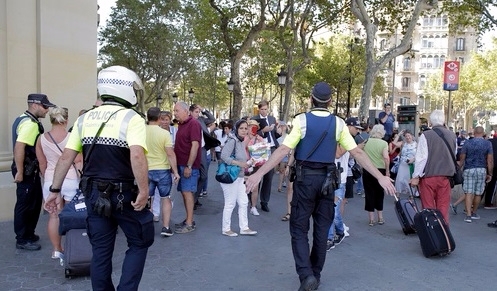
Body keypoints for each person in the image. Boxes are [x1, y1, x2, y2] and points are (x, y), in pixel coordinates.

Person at [245, 82, 395, 291]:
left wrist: (259, 173)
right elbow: (357, 153)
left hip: (305, 181)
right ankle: (315, 274)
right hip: (327, 182)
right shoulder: (339, 123)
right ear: (330, 102)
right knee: (322, 230)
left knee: (298, 229)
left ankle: (306, 275)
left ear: (310, 99)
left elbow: (284, 150)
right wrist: (380, 177)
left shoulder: (302, 120)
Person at [44, 65, 153, 290]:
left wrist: (54, 191)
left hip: (94, 194)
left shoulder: (85, 119)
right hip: (125, 195)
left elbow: (66, 157)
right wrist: (144, 190)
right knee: (140, 241)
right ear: (124, 88)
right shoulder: (131, 118)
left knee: (101, 251)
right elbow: (137, 155)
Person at [35, 107, 81, 259]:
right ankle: (72, 247)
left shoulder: (41, 139)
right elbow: (78, 160)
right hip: (70, 178)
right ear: (66, 120)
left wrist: (46, 177)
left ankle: (56, 249)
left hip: (50, 179)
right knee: (72, 215)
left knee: (54, 216)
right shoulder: (72, 137)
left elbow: (42, 163)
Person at [12, 93, 55, 251]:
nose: (47, 110)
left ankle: (29, 233)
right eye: (45, 107)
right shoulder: (30, 124)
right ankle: (22, 239)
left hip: (29, 169)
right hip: (27, 170)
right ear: (35, 105)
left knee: (34, 202)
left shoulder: (23, 118)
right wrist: (20, 171)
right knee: (26, 205)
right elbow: (19, 147)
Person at [410, 110, 457, 224]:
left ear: (430, 122)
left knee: (428, 208)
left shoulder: (426, 135)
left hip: (428, 177)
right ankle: (443, 233)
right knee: (443, 207)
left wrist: (416, 176)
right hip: (446, 177)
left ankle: (430, 233)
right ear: (443, 120)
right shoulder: (452, 135)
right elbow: (454, 155)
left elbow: (422, 158)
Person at [219, 119, 258, 237]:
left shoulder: (241, 142)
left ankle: (244, 228)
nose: (244, 130)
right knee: (230, 203)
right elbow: (224, 157)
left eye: (246, 128)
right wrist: (241, 164)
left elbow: (241, 159)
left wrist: (249, 162)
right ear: (236, 129)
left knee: (244, 202)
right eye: (241, 128)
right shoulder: (232, 141)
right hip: (230, 177)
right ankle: (226, 229)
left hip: (239, 177)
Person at [145, 107, 180, 237]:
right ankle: (165, 227)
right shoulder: (164, 134)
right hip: (162, 170)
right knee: (166, 199)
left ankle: (145, 227)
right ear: (159, 118)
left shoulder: (141, 131)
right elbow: (170, 154)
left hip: (146, 169)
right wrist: (175, 172)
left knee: (147, 198)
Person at [173, 101, 202, 233]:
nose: (175, 113)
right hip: (181, 164)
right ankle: (188, 219)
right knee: (185, 193)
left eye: (177, 111)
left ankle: (189, 223)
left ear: (186, 111)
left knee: (187, 192)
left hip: (188, 166)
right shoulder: (181, 125)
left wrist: (189, 166)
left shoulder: (193, 124)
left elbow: (195, 146)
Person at [458, 126, 493, 223]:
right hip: (481, 169)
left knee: (469, 192)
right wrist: (490, 173)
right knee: (478, 192)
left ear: (474, 132)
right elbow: (489, 160)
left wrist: (459, 168)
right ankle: (474, 212)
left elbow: (462, 158)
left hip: (469, 169)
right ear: (483, 133)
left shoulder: (467, 143)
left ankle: (468, 215)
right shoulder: (488, 144)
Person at [251, 100, 280, 212]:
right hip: (260, 148)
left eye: (266, 109)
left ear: (268, 109)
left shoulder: (272, 119)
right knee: (257, 174)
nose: (264, 111)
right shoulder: (254, 119)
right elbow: (252, 133)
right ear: (259, 109)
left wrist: (278, 132)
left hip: (272, 147)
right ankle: (252, 201)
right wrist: (263, 131)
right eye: (262, 109)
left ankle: (264, 201)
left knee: (269, 176)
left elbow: (274, 135)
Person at [362, 124, 391, 226]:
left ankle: (371, 219)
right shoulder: (384, 143)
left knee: (369, 193)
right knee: (379, 193)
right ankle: (380, 217)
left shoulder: (367, 142)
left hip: (368, 169)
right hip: (380, 170)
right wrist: (387, 171)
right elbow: (386, 158)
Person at [245, 119, 265, 216]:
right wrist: (249, 138)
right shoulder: (243, 138)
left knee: (255, 187)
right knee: (243, 187)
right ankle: (244, 204)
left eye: (255, 127)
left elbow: (262, 154)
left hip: (255, 165)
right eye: (251, 126)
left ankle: (253, 206)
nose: (253, 128)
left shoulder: (259, 138)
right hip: (243, 164)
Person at [392, 130, 417, 196]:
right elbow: (394, 143)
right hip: (403, 165)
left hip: (411, 165)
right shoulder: (403, 143)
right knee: (399, 180)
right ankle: (397, 196)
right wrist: (399, 134)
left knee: (409, 180)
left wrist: (414, 159)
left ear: (412, 136)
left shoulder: (416, 144)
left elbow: (419, 155)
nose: (407, 137)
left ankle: (411, 197)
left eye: (409, 135)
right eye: (406, 136)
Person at [276, 121, 289, 192]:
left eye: (283, 126)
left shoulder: (289, 136)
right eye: (281, 126)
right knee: (282, 171)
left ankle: (284, 182)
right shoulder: (278, 139)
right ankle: (280, 186)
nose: (282, 127)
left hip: (289, 155)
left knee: (287, 171)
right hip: (282, 156)